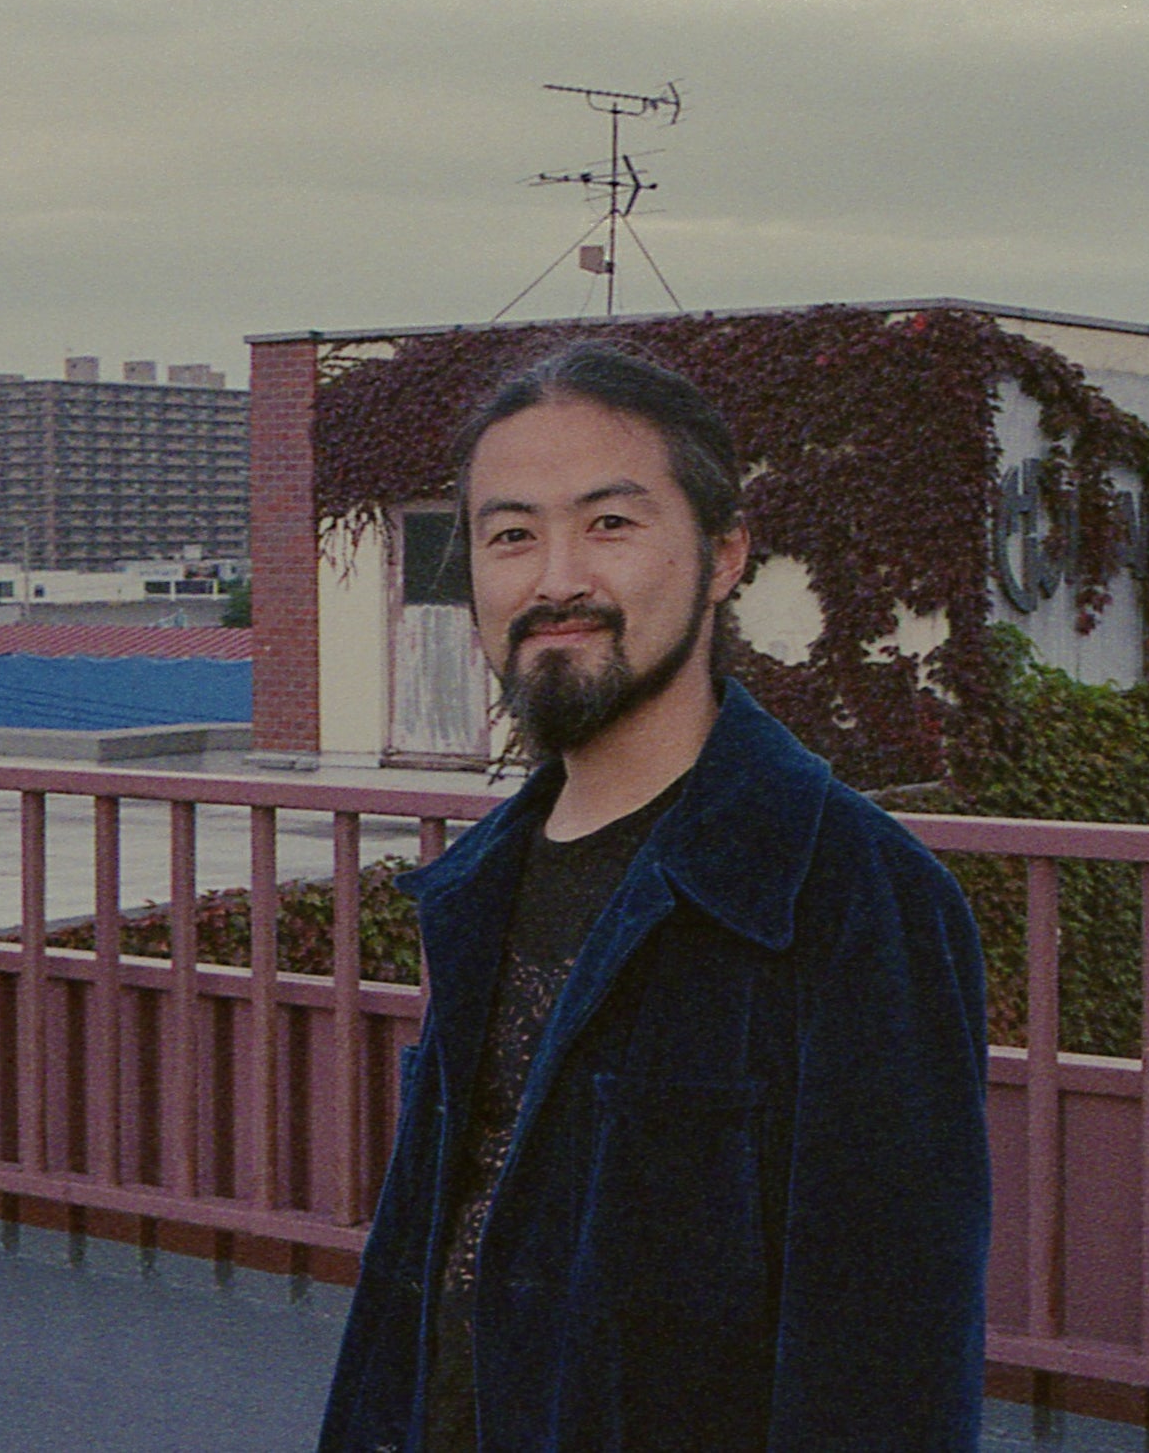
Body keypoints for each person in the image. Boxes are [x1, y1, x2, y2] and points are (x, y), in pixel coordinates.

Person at [317, 342, 990, 1452]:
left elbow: (885, 1374)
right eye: (510, 535)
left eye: (610, 524)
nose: (555, 580)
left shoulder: (850, 898)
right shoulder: (480, 883)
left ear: (723, 556)